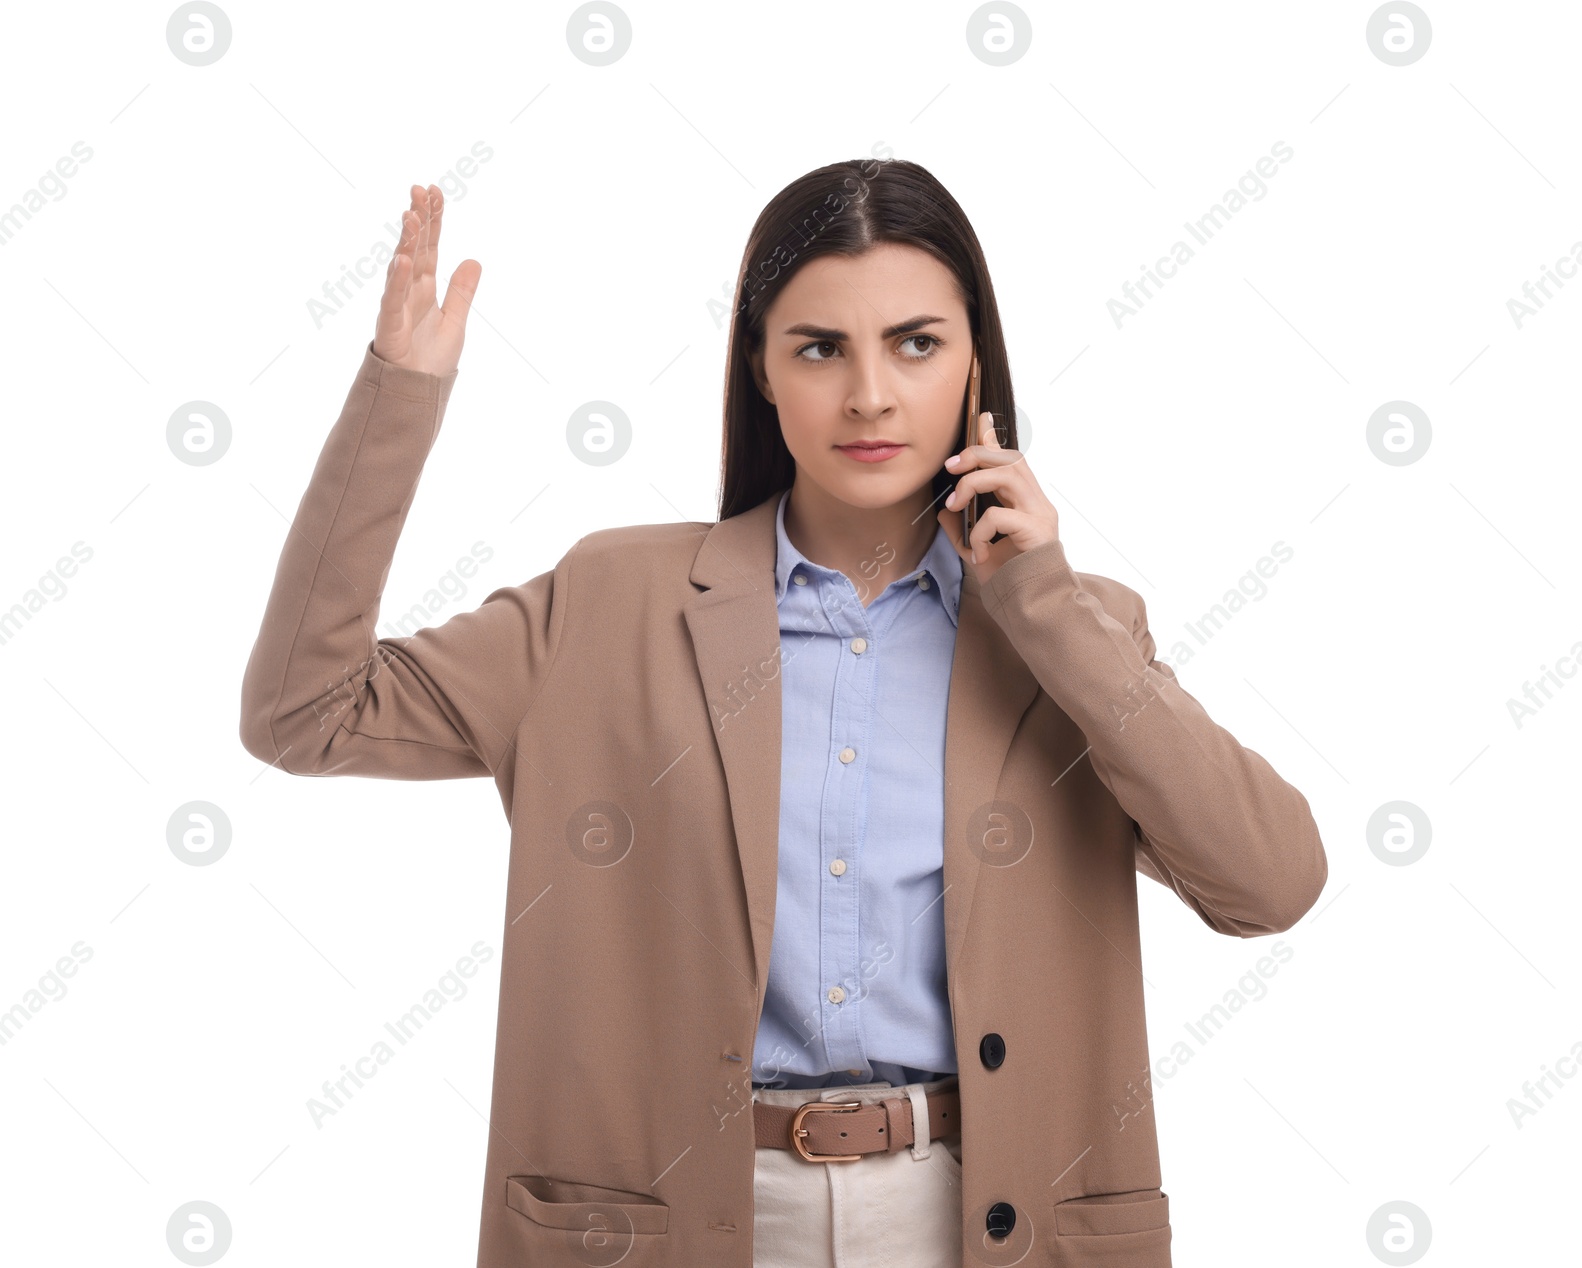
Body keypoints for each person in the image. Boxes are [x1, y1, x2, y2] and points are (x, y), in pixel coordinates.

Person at [240, 159, 1327, 1268]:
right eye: (819, 347)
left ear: (972, 364)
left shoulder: (1071, 632)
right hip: (687, 1219)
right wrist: (397, 401)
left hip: (978, 1213)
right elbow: (303, 709)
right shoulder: (611, 602)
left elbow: (1270, 883)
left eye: (915, 343)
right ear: (760, 367)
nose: (869, 394)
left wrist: (1043, 602)